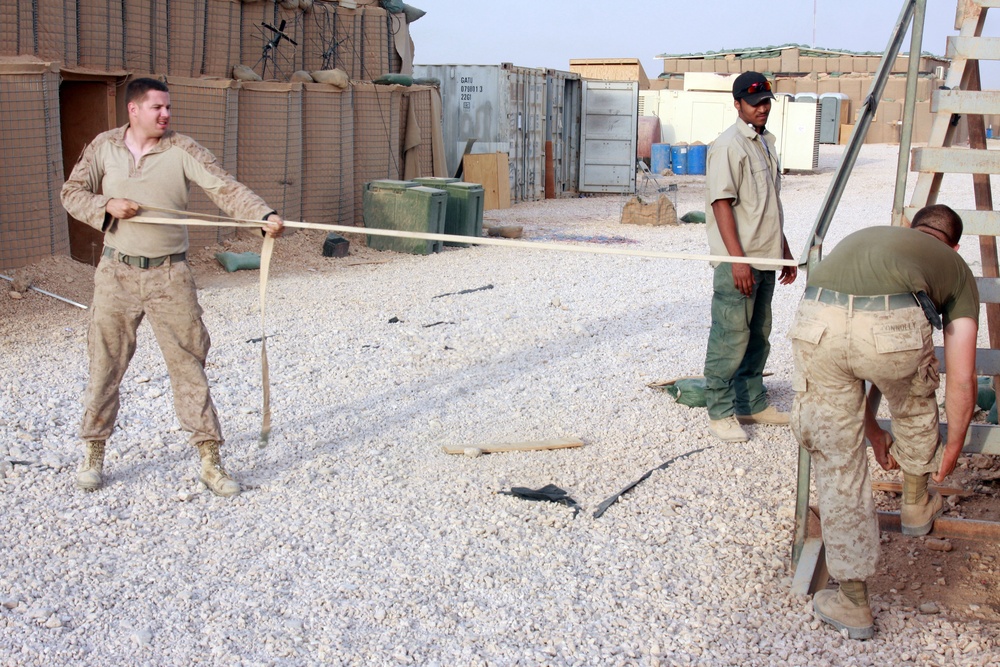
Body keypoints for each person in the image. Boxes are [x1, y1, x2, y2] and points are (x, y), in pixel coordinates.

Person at [61, 77, 285, 497]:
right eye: (157, 108)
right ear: (133, 110)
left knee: (189, 367)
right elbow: (71, 193)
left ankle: (210, 460)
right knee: (104, 365)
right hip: (115, 275)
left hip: (170, 277)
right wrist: (105, 205)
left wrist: (262, 214)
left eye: (168, 108)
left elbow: (223, 186)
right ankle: (93, 452)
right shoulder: (103, 147)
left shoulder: (183, 150)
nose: (166, 115)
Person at [790, 204, 979, 640]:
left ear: (911, 229)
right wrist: (953, 447)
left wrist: (870, 430)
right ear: (953, 244)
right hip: (892, 328)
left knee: (839, 460)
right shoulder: (953, 266)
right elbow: (963, 376)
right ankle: (915, 504)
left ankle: (853, 602)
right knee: (914, 396)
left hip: (818, 318)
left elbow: (853, 352)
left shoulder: (872, 235)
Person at [703, 71, 797, 443]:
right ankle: (720, 410)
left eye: (766, 102)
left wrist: (784, 248)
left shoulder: (765, 143)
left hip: (765, 256)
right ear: (738, 104)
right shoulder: (729, 146)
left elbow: (768, 204)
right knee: (730, 336)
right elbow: (721, 204)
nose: (763, 108)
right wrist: (737, 261)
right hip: (738, 261)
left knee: (758, 335)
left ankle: (751, 402)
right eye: (755, 102)